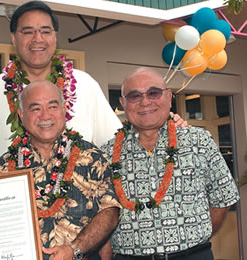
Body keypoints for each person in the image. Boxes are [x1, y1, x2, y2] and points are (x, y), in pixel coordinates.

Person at [100, 67, 240, 260]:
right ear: (123, 103)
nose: (145, 101)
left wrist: (193, 241)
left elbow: (222, 199)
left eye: (153, 93)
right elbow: (102, 214)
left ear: (168, 96)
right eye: (134, 96)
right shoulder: (106, 153)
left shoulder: (199, 141)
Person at [0, 0, 122, 163]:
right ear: (14, 38)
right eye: (28, 32)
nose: (37, 39)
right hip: (17, 187)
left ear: (55, 36)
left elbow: (117, 148)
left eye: (45, 31)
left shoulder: (85, 85)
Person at [0, 80, 120, 260]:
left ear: (64, 109)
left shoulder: (92, 158)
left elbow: (110, 211)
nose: (45, 116)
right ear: (21, 114)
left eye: (52, 106)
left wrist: (74, 249)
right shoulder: (2, 168)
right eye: (35, 109)